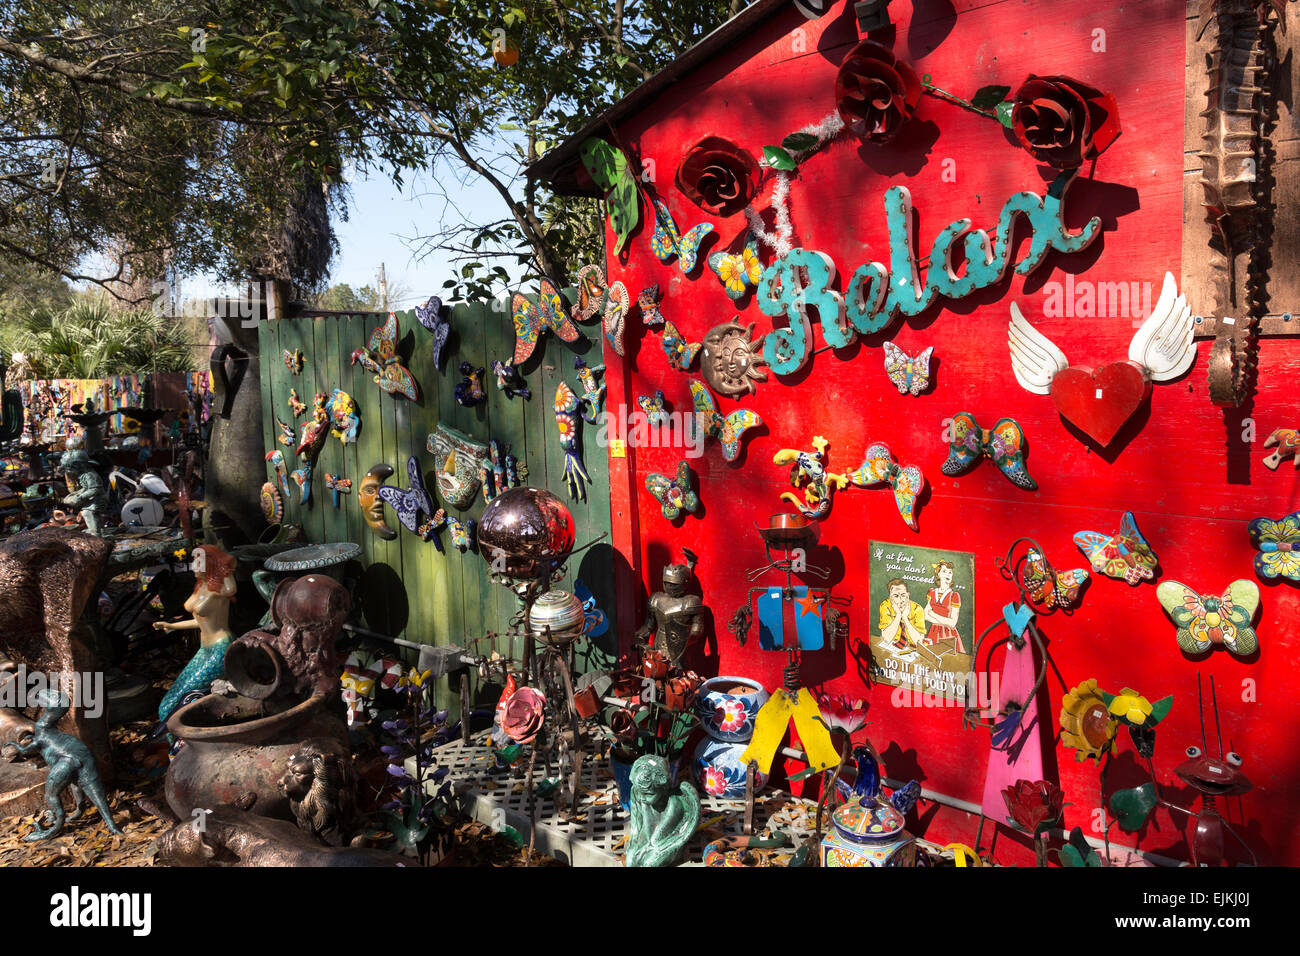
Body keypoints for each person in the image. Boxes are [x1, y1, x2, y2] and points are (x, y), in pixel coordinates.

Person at [924, 560, 964, 653]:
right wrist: (945, 621)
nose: (948, 574)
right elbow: (925, 615)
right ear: (938, 574)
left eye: (950, 572)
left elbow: (953, 623)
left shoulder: (954, 596)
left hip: (949, 635)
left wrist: (933, 614)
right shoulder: (932, 592)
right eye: (944, 571)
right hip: (933, 633)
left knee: (949, 661)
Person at [878, 578, 926, 653]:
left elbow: (919, 641)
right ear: (890, 597)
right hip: (892, 648)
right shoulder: (885, 606)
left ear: (908, 595)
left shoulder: (917, 609)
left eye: (903, 595)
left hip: (912, 650)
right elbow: (887, 639)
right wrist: (898, 615)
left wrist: (905, 618)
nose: (900, 600)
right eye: (896, 596)